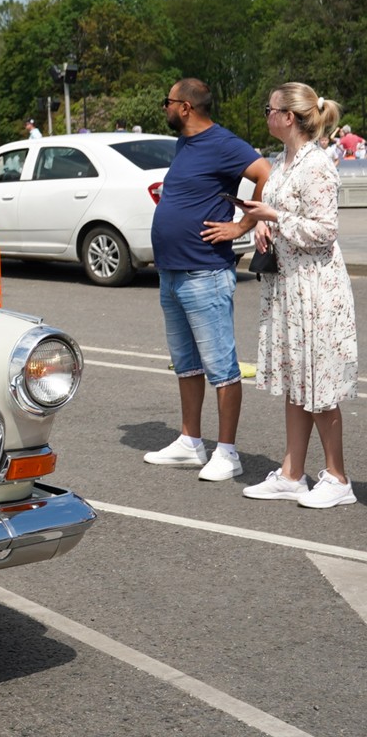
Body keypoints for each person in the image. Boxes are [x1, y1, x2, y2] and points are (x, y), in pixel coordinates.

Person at [144, 78, 272, 482]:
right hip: (173, 270)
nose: (163, 107)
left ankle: (228, 451)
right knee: (186, 363)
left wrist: (243, 226)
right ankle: (189, 442)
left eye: (167, 101)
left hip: (205, 270)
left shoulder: (223, 142)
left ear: (185, 107)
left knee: (221, 365)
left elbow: (265, 173)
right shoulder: (185, 143)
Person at [237, 85, 358, 508]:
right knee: (296, 379)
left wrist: (275, 217)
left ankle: (338, 477)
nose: (265, 114)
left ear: (288, 116)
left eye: (269, 108)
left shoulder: (317, 165)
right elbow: (285, 217)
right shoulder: (282, 161)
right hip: (289, 285)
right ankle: (292, 474)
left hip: (316, 288)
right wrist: (263, 226)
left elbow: (325, 231)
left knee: (319, 382)